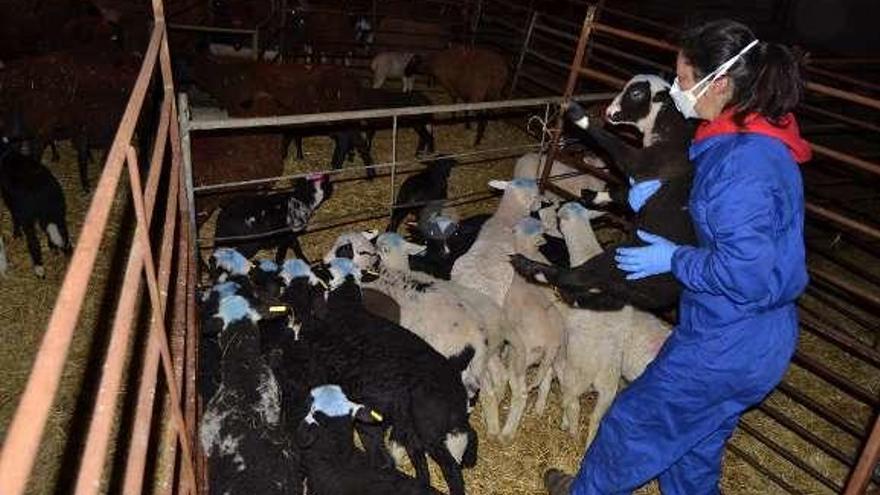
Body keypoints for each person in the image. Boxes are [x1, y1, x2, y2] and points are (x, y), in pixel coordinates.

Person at [544, 19, 812, 495]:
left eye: (684, 80)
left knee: (633, 424)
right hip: (745, 333)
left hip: (729, 336)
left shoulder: (744, 167)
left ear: (721, 82)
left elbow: (747, 273)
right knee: (693, 447)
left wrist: (677, 260)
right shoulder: (745, 138)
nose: (675, 90)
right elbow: (732, 232)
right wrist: (657, 200)